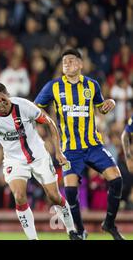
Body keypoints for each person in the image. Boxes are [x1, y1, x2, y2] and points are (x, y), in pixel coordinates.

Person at [0, 83, 81, 240]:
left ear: (8, 96)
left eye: (3, 100)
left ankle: (72, 230)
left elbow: (49, 123)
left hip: (38, 156)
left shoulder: (24, 106)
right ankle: (33, 238)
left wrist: (58, 151)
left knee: (53, 196)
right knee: (19, 196)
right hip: (14, 159)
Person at [35, 48, 125, 240]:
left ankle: (109, 224)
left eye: (71, 60)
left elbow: (101, 108)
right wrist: (47, 127)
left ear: (81, 64)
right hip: (70, 149)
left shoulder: (92, 85)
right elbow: (36, 108)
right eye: (64, 61)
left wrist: (110, 103)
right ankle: (80, 230)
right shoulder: (53, 86)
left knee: (117, 180)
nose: (67, 63)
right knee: (69, 190)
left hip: (93, 145)